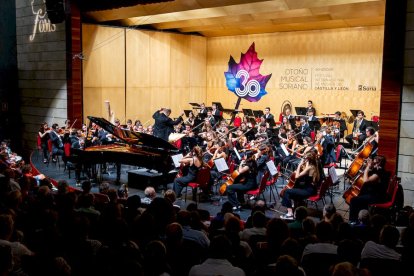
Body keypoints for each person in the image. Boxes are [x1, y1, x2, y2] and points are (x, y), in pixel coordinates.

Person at [348, 155, 389, 224]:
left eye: (374, 162)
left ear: (378, 163)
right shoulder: (377, 170)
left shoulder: (379, 173)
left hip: (377, 197)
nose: (373, 163)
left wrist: (367, 168)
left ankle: (353, 221)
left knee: (354, 200)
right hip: (373, 194)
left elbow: (365, 180)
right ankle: (361, 219)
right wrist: (369, 167)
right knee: (360, 197)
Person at [280, 152, 320, 219]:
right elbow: (307, 169)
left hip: (308, 191)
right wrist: (306, 162)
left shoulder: (310, 167)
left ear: (307, 159)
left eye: (305, 159)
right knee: (295, 189)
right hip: (312, 189)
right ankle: (296, 206)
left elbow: (297, 176)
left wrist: (299, 165)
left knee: (286, 192)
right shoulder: (314, 165)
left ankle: (290, 214)